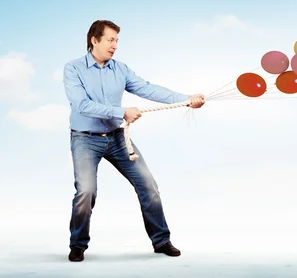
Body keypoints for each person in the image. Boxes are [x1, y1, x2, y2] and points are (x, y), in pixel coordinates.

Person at [63, 20, 205, 262]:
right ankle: (77, 245)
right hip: (85, 139)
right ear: (94, 40)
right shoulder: (73, 69)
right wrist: (121, 112)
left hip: (118, 139)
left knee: (149, 186)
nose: (115, 45)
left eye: (117, 40)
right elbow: (82, 105)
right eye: (110, 40)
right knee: (86, 192)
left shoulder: (121, 69)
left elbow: (148, 89)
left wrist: (186, 98)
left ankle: (161, 241)